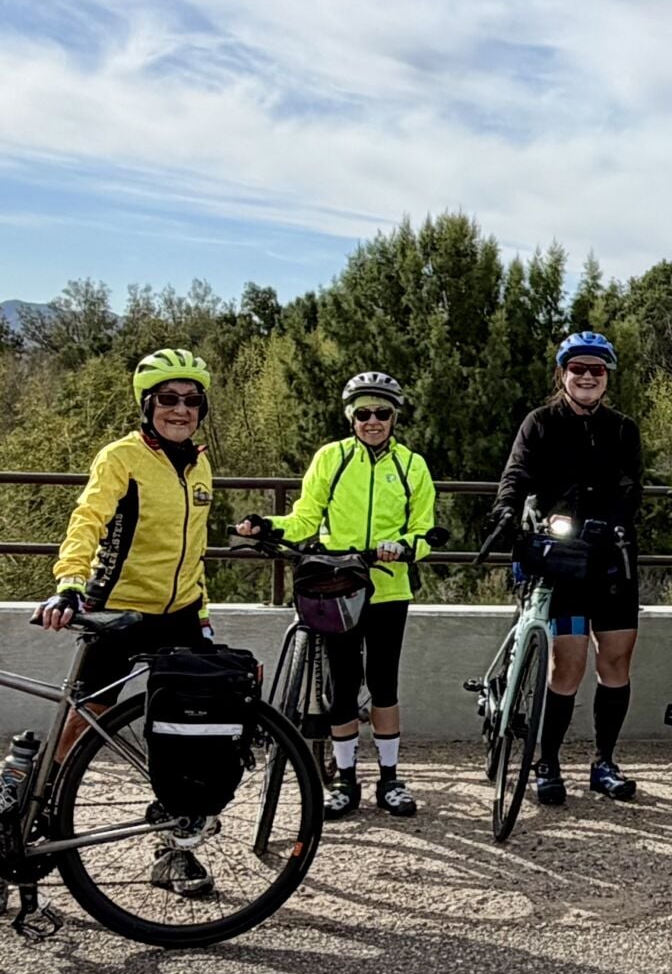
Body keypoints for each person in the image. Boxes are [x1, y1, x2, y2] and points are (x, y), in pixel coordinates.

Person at [36, 348, 218, 897]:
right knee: (83, 719)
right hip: (118, 611)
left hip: (182, 613)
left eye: (191, 400)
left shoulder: (201, 462)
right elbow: (87, 519)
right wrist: (69, 580)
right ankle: (29, 816)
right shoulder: (121, 457)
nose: (180, 409)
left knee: (189, 730)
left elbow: (195, 550)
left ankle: (174, 851)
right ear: (147, 405)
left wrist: (202, 617)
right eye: (168, 398)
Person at [236, 372, 436, 818]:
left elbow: (424, 531)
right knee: (342, 687)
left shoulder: (411, 466)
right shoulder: (332, 458)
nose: (372, 421)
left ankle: (390, 779)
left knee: (384, 685)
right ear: (351, 418)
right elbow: (305, 518)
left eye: (382, 413)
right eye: (363, 413)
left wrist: (404, 546)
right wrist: (266, 525)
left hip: (387, 588)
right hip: (338, 588)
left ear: (394, 417)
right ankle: (346, 780)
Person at [494, 332, 644, 805]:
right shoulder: (540, 423)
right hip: (561, 561)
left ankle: (604, 762)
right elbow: (516, 474)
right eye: (577, 368)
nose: (586, 376)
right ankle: (549, 762)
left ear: (607, 377)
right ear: (562, 374)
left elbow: (633, 487)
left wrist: (611, 523)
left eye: (597, 370)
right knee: (568, 664)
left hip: (612, 559)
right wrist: (504, 510)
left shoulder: (623, 429)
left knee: (616, 661)